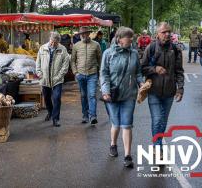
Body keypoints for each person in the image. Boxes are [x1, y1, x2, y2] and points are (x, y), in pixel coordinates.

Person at [100, 26, 143, 168]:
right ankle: (113, 144)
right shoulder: (108, 53)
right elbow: (104, 74)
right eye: (128, 37)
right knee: (116, 123)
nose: (131, 39)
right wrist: (105, 91)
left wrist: (141, 83)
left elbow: (138, 73)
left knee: (127, 124)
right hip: (112, 95)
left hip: (129, 95)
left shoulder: (134, 54)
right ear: (119, 39)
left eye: (132, 37)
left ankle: (127, 155)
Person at [141, 22, 184, 155]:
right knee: (158, 119)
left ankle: (157, 142)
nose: (167, 34)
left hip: (169, 92)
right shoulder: (151, 48)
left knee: (163, 121)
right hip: (154, 91)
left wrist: (180, 88)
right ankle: (157, 146)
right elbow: (142, 68)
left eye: (168, 32)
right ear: (157, 34)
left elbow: (179, 71)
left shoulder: (176, 49)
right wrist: (155, 69)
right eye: (164, 32)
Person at [36, 31, 70, 127]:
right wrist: (39, 73)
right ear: (49, 39)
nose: (53, 44)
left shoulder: (63, 49)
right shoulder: (42, 48)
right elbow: (38, 62)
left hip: (57, 79)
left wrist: (59, 76)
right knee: (46, 97)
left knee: (56, 98)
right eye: (52, 41)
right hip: (45, 78)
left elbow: (65, 65)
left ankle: (56, 118)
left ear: (58, 42)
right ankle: (50, 112)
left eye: (55, 43)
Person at [71, 26, 102, 124]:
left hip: (92, 74)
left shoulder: (96, 45)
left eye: (85, 33)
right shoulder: (76, 46)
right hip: (80, 74)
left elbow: (100, 60)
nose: (83, 35)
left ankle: (93, 116)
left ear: (88, 33)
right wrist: (75, 72)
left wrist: (101, 73)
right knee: (83, 95)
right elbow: (72, 60)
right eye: (81, 34)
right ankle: (85, 115)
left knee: (92, 95)